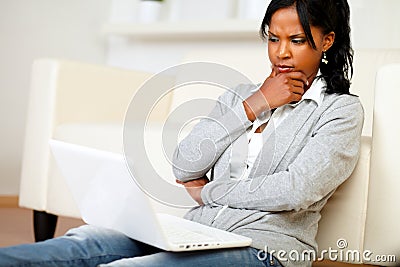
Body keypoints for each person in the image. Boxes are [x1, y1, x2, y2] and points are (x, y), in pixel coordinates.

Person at [0, 0, 363, 266]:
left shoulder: (340, 111)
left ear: (327, 41)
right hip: (196, 233)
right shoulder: (241, 95)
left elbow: (297, 189)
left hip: (266, 248)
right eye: (273, 39)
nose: (281, 53)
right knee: (81, 242)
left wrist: (209, 192)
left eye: (297, 40)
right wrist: (254, 105)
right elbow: (184, 162)